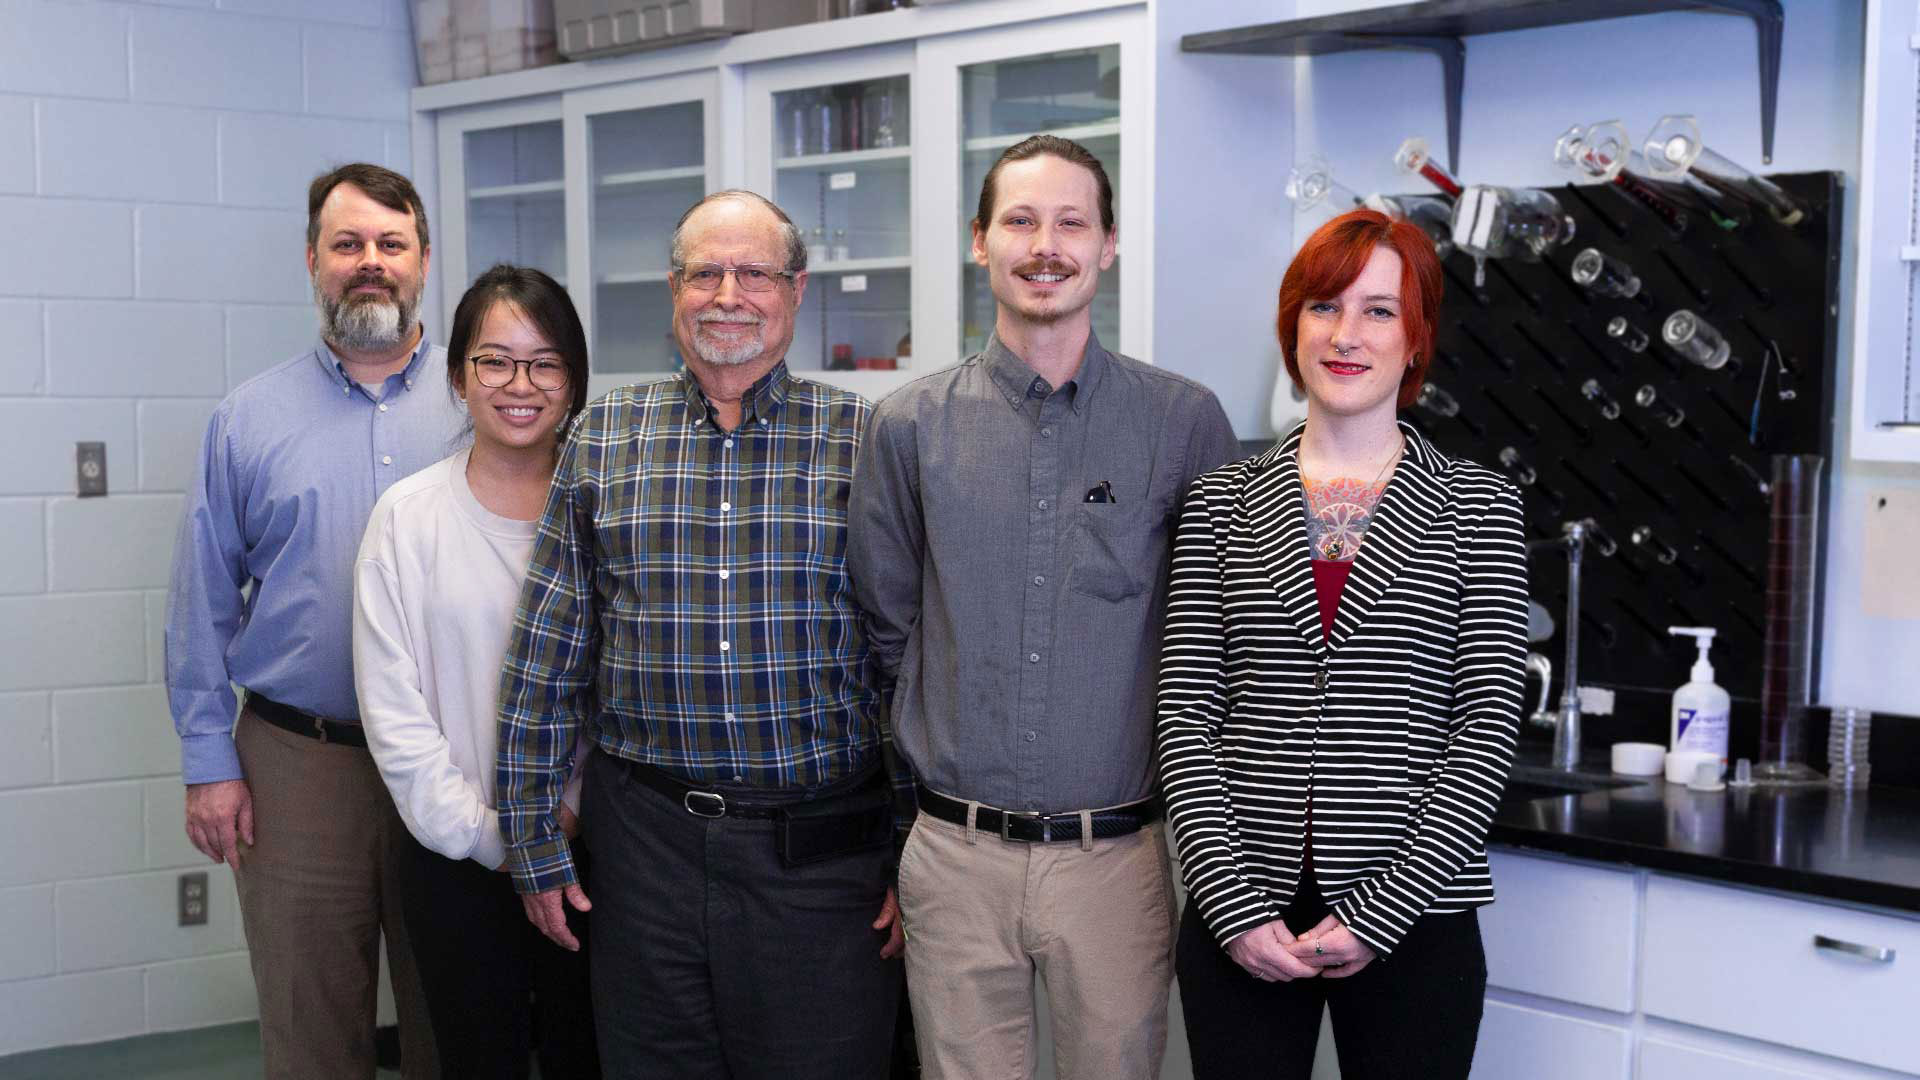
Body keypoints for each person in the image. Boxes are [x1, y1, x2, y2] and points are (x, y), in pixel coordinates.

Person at [847, 135, 1240, 1080]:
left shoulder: (1183, 422)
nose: (1046, 244)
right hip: (955, 856)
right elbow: (889, 631)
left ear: (1108, 245)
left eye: (1072, 221)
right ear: (979, 242)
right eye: (1020, 220)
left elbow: (1224, 630)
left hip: (1118, 857)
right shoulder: (908, 426)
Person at [495, 189, 902, 1079]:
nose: (728, 294)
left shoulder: (867, 441)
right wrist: (528, 836)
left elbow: (910, 663)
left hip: (822, 861)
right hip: (646, 855)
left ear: (795, 293)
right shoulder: (602, 435)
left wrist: (920, 855)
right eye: (704, 273)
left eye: (754, 273)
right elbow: (548, 651)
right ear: (673, 292)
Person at [1156, 207, 1529, 1079]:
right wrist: (1228, 900)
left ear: (1416, 336)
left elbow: (1484, 725)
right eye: (1323, 307)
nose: (1346, 335)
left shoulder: (1479, 505)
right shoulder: (1220, 501)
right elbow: (1184, 711)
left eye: (1378, 310)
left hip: (1416, 911)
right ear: (1294, 329)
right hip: (1242, 907)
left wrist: (1381, 911)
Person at [164, 163, 456, 1078]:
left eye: (390, 244)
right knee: (309, 1027)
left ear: (424, 261)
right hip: (298, 765)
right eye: (347, 244)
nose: (370, 262)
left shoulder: (484, 403)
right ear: (311, 260)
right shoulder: (248, 419)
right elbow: (200, 605)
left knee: (456, 1016)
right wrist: (211, 764)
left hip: (452, 758)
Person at [353, 265, 600, 1079]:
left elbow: (630, 686)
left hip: (592, 854)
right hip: (453, 859)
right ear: (459, 376)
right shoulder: (408, 519)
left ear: (573, 380)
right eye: (494, 361)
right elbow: (396, 716)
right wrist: (495, 840)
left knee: (587, 1054)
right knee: (476, 1059)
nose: (519, 385)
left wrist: (561, 818)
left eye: (545, 362)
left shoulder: (609, 506)